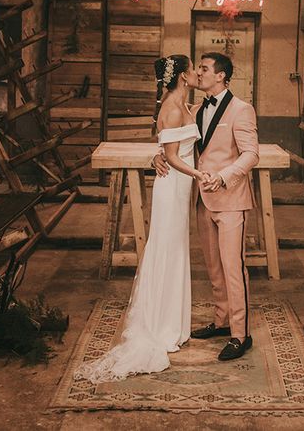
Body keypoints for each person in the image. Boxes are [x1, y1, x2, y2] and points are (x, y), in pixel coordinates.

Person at [75, 55, 207, 382]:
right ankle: (162, 325)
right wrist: (199, 174)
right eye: (192, 69)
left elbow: (164, 147)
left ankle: (173, 323)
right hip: (174, 186)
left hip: (178, 185)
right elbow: (174, 156)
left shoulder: (183, 105)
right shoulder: (173, 109)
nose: (195, 73)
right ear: (181, 76)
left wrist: (159, 156)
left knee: (176, 250)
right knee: (167, 248)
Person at [154, 51, 259, 361]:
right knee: (213, 267)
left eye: (204, 69)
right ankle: (221, 321)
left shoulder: (242, 110)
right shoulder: (195, 109)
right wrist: (157, 155)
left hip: (231, 200)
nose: (198, 73)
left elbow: (251, 154)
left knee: (233, 268)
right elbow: (173, 143)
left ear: (221, 76)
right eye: (197, 68)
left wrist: (224, 177)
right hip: (202, 200)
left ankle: (240, 334)